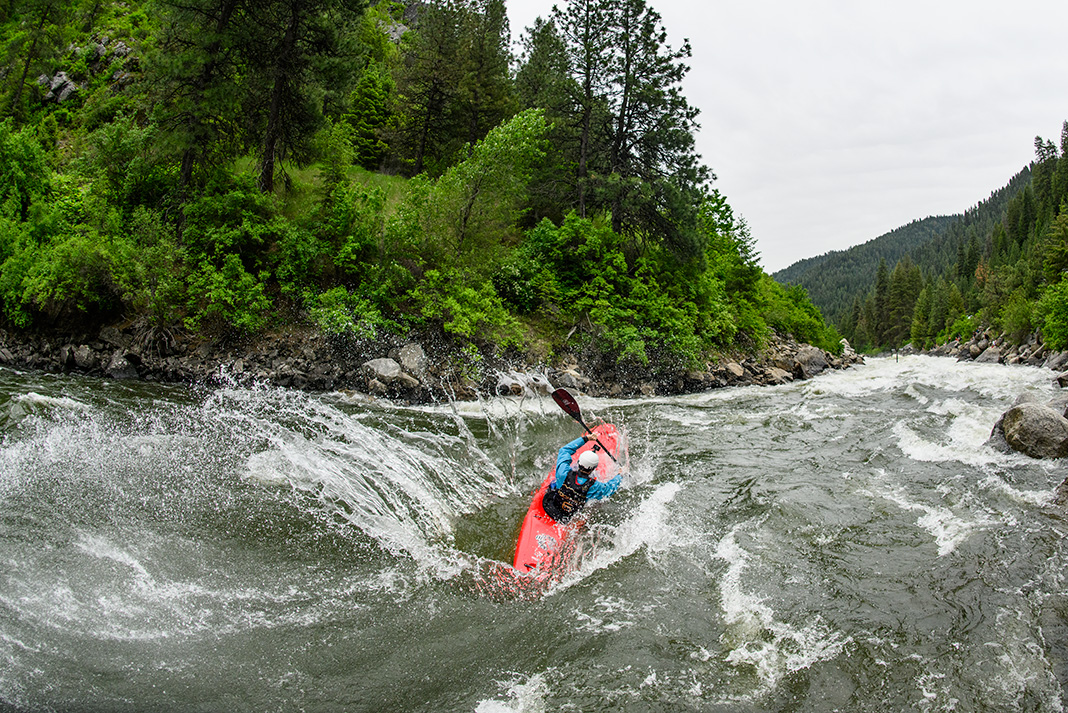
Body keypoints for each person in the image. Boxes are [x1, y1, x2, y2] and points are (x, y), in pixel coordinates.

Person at [542, 432, 622, 523]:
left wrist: (585, 439)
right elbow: (609, 488)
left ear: (579, 462)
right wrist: (619, 475)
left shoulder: (563, 472)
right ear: (593, 468)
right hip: (568, 517)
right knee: (595, 500)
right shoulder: (594, 486)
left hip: (549, 507)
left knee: (555, 482)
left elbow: (564, 450)